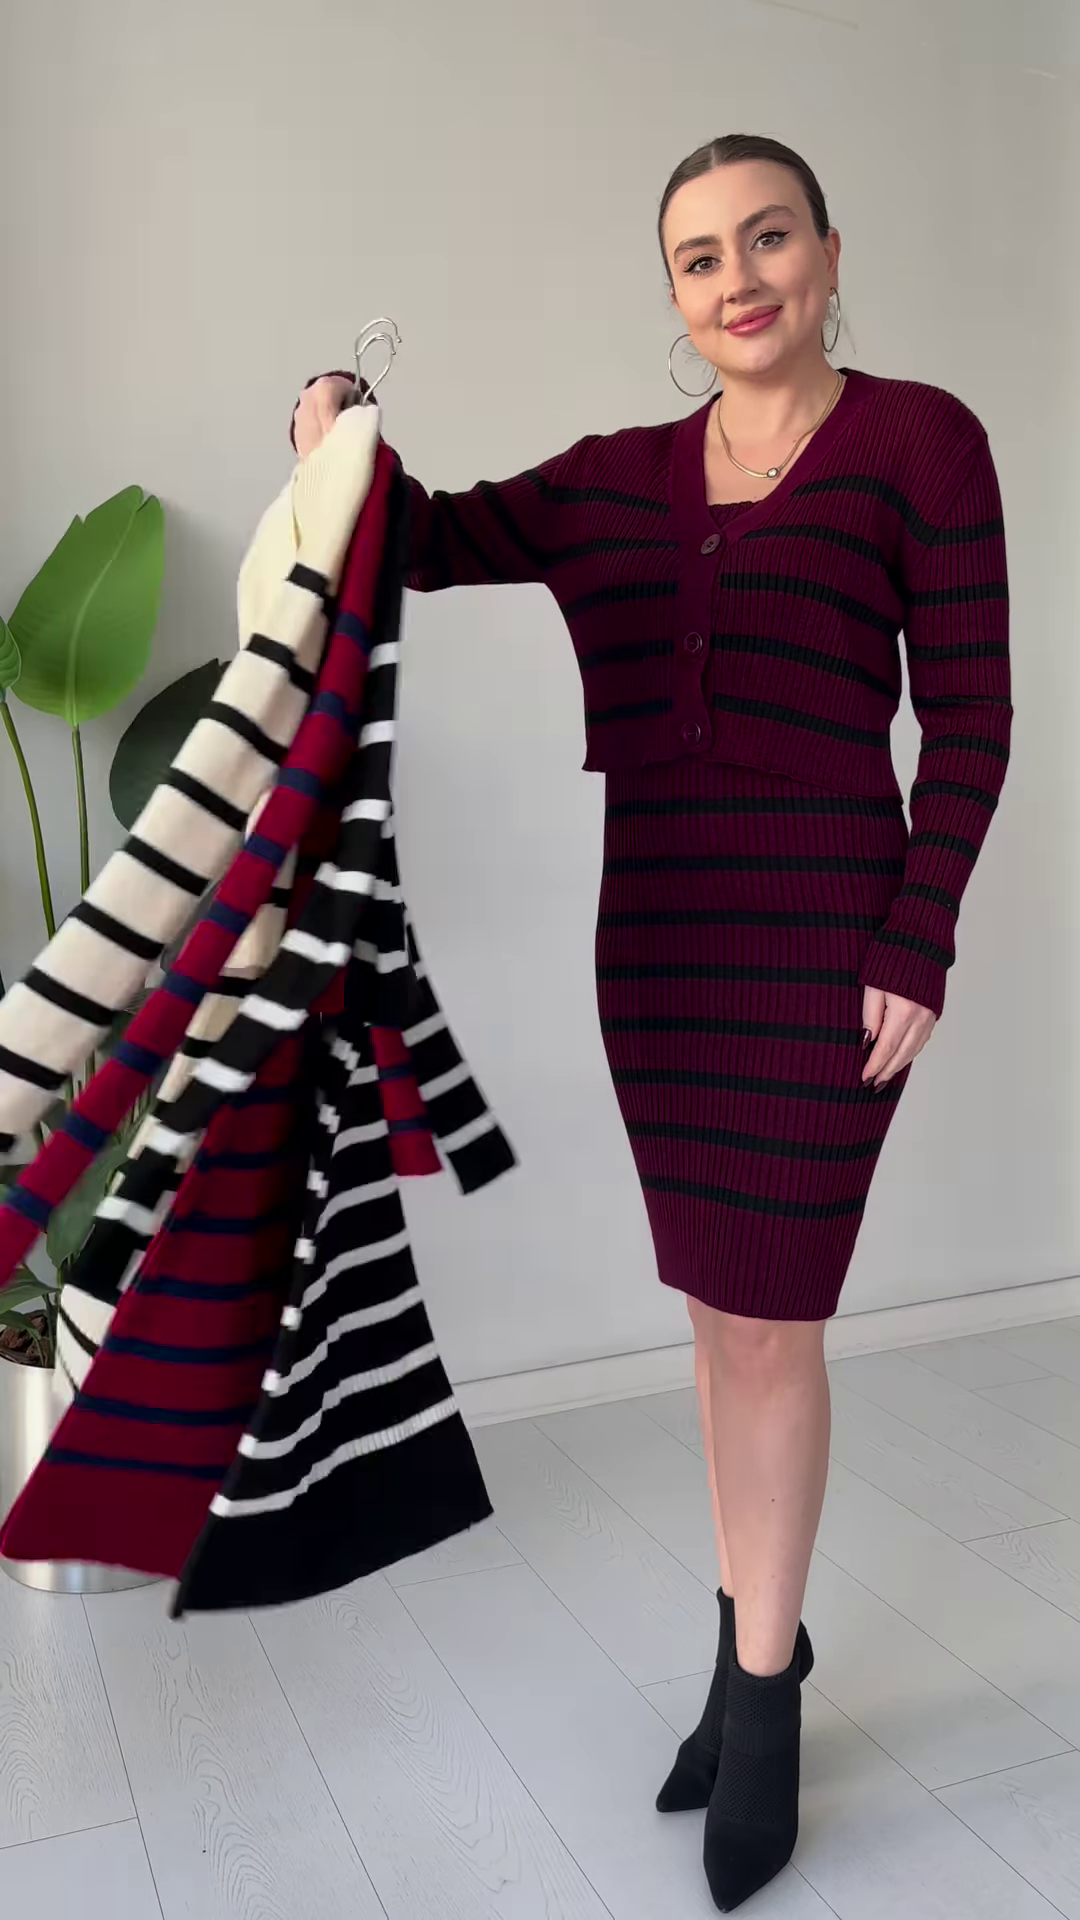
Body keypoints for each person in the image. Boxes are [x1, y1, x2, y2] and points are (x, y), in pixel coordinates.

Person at [292, 133, 1011, 1913]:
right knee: (715, 1317)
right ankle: (752, 1636)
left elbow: (973, 719)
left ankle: (761, 1702)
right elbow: (423, 538)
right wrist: (337, 429)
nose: (737, 278)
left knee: (773, 1325)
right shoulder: (617, 478)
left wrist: (918, 936)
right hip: (666, 944)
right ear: (675, 296)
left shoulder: (922, 443)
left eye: (767, 238)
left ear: (828, 251)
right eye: (700, 256)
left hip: (829, 934)